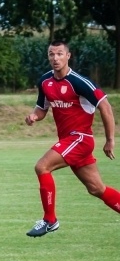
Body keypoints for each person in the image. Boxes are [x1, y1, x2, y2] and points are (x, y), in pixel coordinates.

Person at [24, 40, 119, 237]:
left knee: (42, 166)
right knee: (96, 189)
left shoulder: (79, 82)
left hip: (80, 139)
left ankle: (50, 220)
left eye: (59, 54)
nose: (55, 58)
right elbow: (42, 108)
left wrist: (110, 139)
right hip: (69, 141)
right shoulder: (44, 81)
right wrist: (34, 116)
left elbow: (105, 107)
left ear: (68, 56)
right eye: (51, 54)